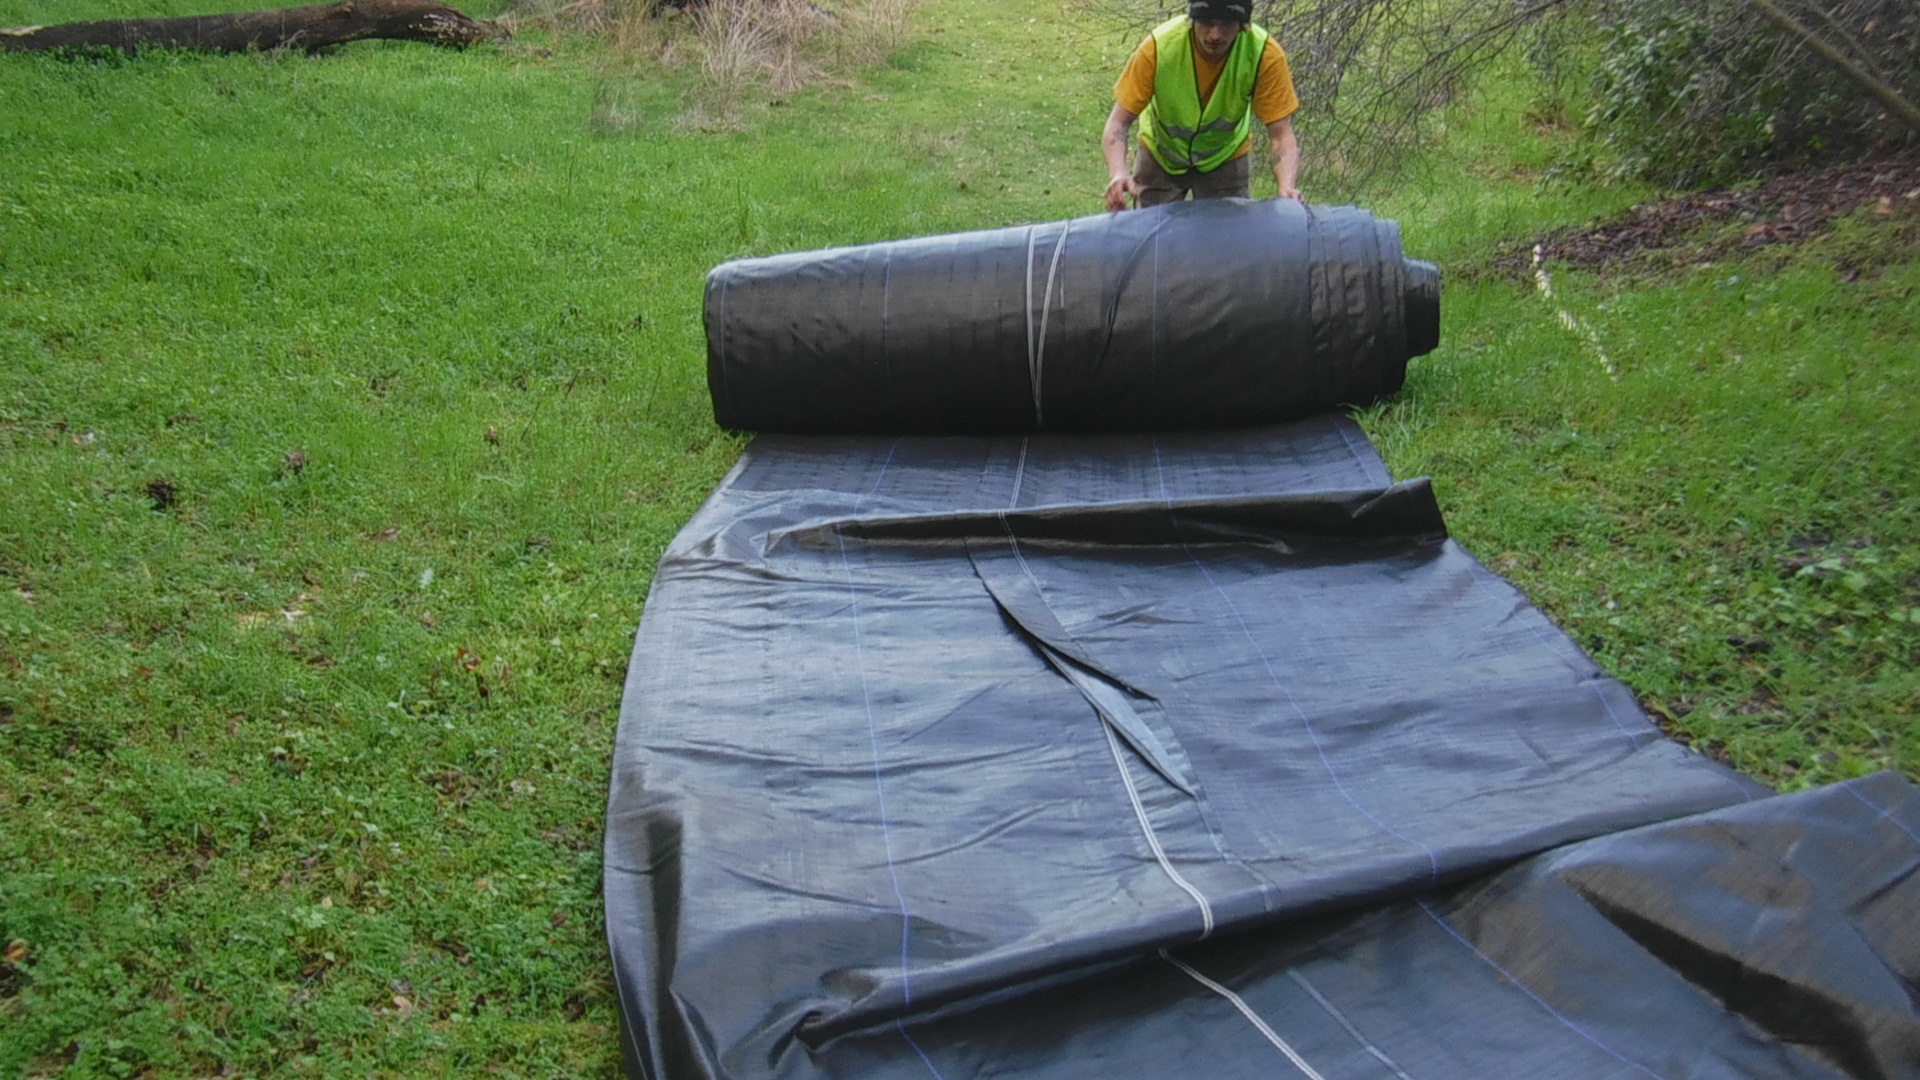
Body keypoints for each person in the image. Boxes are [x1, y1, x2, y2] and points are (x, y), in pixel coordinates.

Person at [1102, 0, 1301, 211]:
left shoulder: (1264, 54)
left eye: (1226, 24)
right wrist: (1118, 173)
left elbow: (1281, 135)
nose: (1215, 34)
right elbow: (1118, 124)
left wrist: (1286, 187)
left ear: (1243, 26)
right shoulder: (1159, 47)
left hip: (1224, 157)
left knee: (1227, 238)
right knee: (1154, 237)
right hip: (1161, 155)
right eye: (1206, 22)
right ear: (1192, 20)